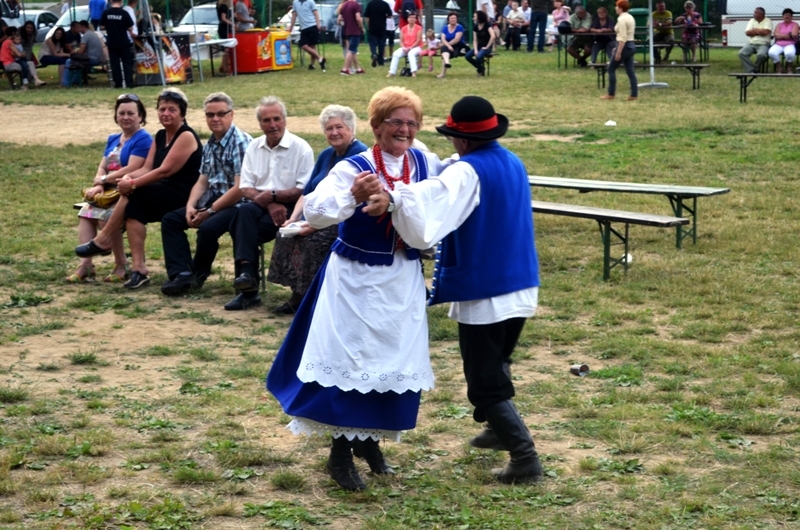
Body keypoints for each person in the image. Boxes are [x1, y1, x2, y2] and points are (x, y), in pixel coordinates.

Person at [266, 86, 443, 492]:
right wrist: (351, 195)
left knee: (390, 361)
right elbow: (315, 211)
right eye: (396, 122)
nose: (405, 129)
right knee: (352, 361)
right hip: (355, 280)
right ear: (377, 126)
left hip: (401, 278)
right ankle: (340, 454)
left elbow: (441, 200)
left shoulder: (424, 161)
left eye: (412, 122)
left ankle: (368, 440)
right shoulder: (354, 167)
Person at [361, 95, 542, 485]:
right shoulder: (511, 160)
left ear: (462, 139)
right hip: (521, 282)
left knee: (484, 380)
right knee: (497, 362)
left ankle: (524, 458)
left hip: (487, 289)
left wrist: (393, 199)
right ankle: (497, 429)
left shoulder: (468, 171)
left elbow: (433, 199)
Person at [75, 89, 203, 290]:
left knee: (135, 194)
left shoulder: (185, 135)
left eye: (172, 109)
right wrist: (128, 177)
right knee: (134, 211)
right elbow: (146, 168)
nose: (166, 113)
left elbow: (164, 171)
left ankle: (104, 239)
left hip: (185, 194)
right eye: (162, 109)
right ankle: (138, 270)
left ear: (182, 114)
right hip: (163, 191)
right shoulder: (160, 135)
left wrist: (132, 184)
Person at [267, 105, 368, 314]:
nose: (334, 132)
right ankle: (297, 294)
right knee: (285, 235)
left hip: (344, 219)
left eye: (339, 127)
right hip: (316, 217)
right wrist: (293, 219)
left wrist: (312, 226)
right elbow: (307, 192)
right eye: (329, 128)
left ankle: (314, 298)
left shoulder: (359, 155)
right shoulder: (326, 155)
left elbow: (353, 202)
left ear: (351, 129)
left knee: (312, 241)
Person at [224, 96, 314, 310]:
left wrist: (273, 196)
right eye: (266, 120)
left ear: (285, 120)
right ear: (260, 124)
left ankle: (248, 288)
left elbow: (303, 190)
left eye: (276, 119)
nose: (272, 124)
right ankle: (247, 277)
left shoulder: (301, 148)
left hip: (292, 208)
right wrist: (270, 201)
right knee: (243, 213)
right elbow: (245, 187)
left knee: (240, 226)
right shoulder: (254, 146)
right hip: (261, 204)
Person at [160, 92, 253, 296]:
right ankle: (181, 274)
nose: (215, 119)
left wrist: (209, 211)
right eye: (210, 115)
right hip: (215, 199)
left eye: (221, 114)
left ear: (232, 114)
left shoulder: (240, 142)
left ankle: (197, 277)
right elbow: (202, 181)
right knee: (171, 220)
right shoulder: (210, 143)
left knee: (208, 229)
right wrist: (191, 206)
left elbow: (240, 189)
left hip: (239, 204)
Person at [68, 94, 152, 283]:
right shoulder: (113, 138)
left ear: (140, 116)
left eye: (131, 113)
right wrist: (99, 184)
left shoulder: (143, 139)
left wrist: (104, 179)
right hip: (108, 191)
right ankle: (86, 265)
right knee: (85, 214)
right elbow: (103, 165)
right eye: (121, 113)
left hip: (129, 190)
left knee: (106, 217)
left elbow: (132, 168)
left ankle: (121, 264)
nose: (125, 117)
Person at [601, 0, 637, 101]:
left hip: (624, 45)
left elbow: (622, 37)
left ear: (620, 8)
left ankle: (611, 93)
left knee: (611, 69)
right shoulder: (630, 17)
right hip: (631, 45)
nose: (615, 8)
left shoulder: (621, 20)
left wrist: (618, 51)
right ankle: (634, 94)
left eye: (616, 6)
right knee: (630, 71)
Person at [101, 0, 135, 89]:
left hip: (112, 42)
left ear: (111, 1)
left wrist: (110, 26)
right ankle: (129, 83)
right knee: (127, 63)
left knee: (115, 64)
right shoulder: (124, 13)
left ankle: (118, 84)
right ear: (121, 1)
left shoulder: (106, 13)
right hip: (124, 42)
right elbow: (130, 27)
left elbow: (102, 26)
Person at [64, 20, 106, 86]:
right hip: (98, 58)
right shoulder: (92, 34)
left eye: (79, 27)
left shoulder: (86, 36)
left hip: (92, 59)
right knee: (77, 61)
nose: (78, 29)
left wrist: (74, 51)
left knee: (69, 61)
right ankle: (76, 80)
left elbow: (81, 51)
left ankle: (66, 83)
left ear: (83, 26)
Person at [289, 0, 328, 72]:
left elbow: (316, 14)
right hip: (303, 28)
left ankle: (312, 65)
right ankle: (320, 59)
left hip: (312, 26)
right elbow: (294, 16)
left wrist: (318, 26)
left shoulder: (310, 1)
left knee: (312, 46)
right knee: (303, 45)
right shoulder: (295, 2)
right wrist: (290, 28)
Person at [735, 6, 771, 73]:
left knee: (762, 55)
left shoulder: (768, 21)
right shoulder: (752, 20)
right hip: (751, 43)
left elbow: (765, 32)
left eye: (756, 13)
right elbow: (747, 33)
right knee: (741, 53)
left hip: (763, 44)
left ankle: (755, 68)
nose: (754, 14)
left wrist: (755, 30)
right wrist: (760, 31)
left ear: (761, 14)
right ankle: (751, 69)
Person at [387, 12, 421, 77]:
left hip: (416, 47)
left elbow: (418, 40)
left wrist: (411, 47)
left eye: (413, 18)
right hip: (405, 47)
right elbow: (401, 40)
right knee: (395, 54)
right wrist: (403, 48)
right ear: (407, 19)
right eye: (410, 17)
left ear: (416, 19)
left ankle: (413, 72)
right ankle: (392, 72)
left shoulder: (419, 28)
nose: (412, 19)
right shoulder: (403, 28)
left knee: (411, 54)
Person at [465, 10, 495, 77]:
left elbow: (493, 36)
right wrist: (475, 49)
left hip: (486, 47)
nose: (473, 18)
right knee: (467, 56)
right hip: (478, 47)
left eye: (475, 16)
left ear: (479, 17)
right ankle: (481, 67)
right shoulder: (476, 26)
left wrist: (487, 47)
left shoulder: (487, 25)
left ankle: (479, 71)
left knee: (478, 57)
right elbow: (475, 40)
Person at [437, 12, 466, 78]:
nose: (453, 19)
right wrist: (448, 46)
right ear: (448, 19)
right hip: (448, 46)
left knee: (444, 49)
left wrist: (447, 45)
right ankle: (447, 63)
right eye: (451, 18)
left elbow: (456, 39)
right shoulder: (445, 27)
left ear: (457, 19)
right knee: (444, 49)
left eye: (454, 18)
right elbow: (443, 39)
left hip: (458, 46)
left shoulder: (459, 27)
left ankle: (443, 73)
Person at [768, 8, 798, 74]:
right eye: (785, 15)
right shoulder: (779, 25)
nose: (787, 16)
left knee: (789, 53)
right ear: (783, 16)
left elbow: (794, 35)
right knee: (771, 52)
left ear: (792, 17)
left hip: (790, 44)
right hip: (778, 44)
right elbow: (775, 35)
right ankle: (779, 67)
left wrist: (780, 36)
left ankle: (789, 68)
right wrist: (788, 35)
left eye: (789, 15)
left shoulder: (795, 24)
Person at [339, 0, 365, 75]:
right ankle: (345, 69)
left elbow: (340, 18)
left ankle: (358, 69)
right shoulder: (356, 5)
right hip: (355, 30)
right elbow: (358, 18)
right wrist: (362, 27)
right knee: (351, 50)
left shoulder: (344, 5)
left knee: (353, 50)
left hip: (347, 30)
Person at [364, 0, 393, 67]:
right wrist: (385, 16)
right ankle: (380, 61)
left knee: (372, 43)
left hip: (372, 26)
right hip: (382, 27)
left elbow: (367, 17)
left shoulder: (370, 4)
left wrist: (368, 27)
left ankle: (374, 54)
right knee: (381, 44)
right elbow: (390, 15)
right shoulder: (385, 4)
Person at [217, 0, 232, 73]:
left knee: (226, 48)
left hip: (221, 27)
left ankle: (223, 65)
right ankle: (225, 66)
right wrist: (231, 23)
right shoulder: (224, 6)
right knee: (227, 48)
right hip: (225, 28)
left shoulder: (219, 5)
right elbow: (223, 18)